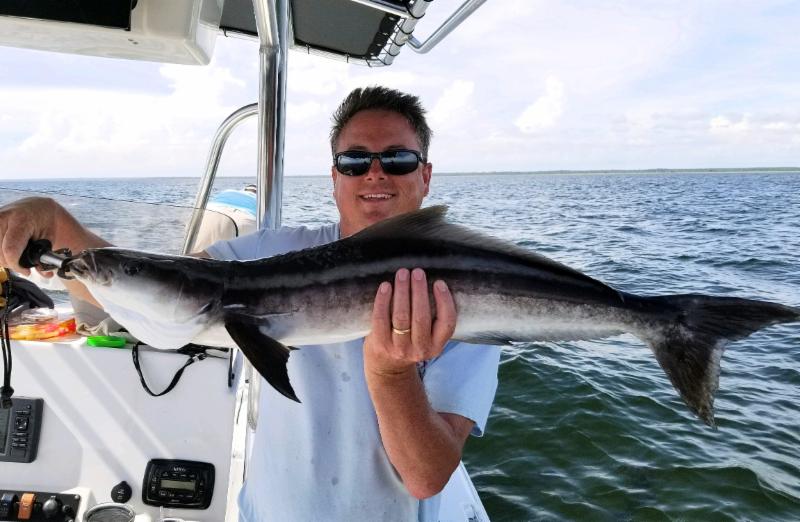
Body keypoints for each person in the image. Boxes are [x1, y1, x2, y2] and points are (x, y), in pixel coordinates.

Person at [0, 86, 501, 521]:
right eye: (354, 161)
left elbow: (427, 476)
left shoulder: (466, 292)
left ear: (425, 176)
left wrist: (391, 374)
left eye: (397, 159)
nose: (375, 174)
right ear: (334, 177)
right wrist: (62, 230)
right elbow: (167, 287)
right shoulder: (269, 252)